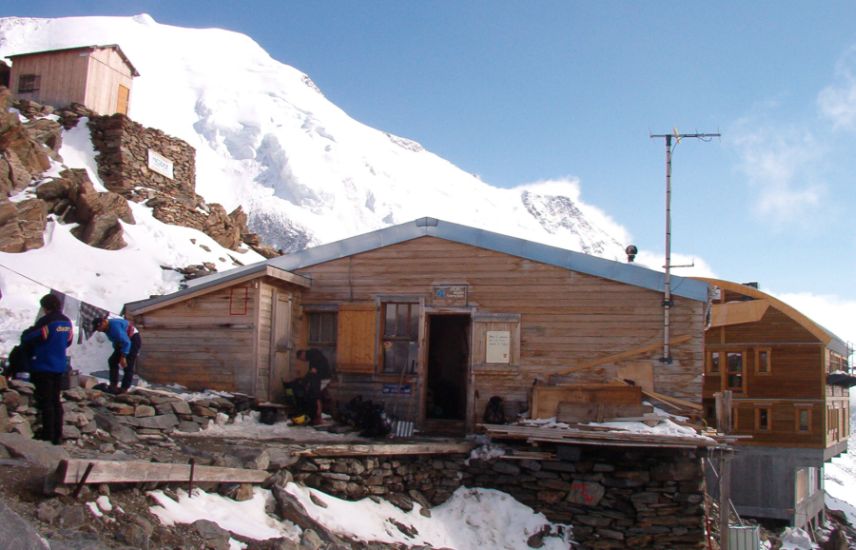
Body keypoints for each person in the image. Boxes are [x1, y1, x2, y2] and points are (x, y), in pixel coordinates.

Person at [21, 294, 73, 445]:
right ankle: (58, 434)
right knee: (56, 401)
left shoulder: (47, 322)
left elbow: (30, 338)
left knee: (47, 402)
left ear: (45, 307)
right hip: (59, 366)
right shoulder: (67, 322)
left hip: (43, 365)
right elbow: (68, 341)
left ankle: (48, 435)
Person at [92, 316, 141, 394]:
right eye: (98, 329)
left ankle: (124, 389)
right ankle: (113, 385)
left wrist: (123, 356)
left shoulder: (115, 327)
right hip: (122, 341)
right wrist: (117, 350)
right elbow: (116, 340)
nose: (99, 330)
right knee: (112, 361)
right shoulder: (106, 329)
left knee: (127, 365)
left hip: (132, 339)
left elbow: (126, 342)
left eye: (99, 327)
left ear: (104, 322)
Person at [295, 348, 332, 425]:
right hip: (321, 377)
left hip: (322, 378)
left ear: (302, 354)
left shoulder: (313, 356)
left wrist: (304, 381)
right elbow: (311, 371)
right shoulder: (313, 356)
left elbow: (312, 371)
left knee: (315, 396)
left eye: (301, 359)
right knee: (314, 395)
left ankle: (318, 418)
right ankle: (316, 417)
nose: (303, 361)